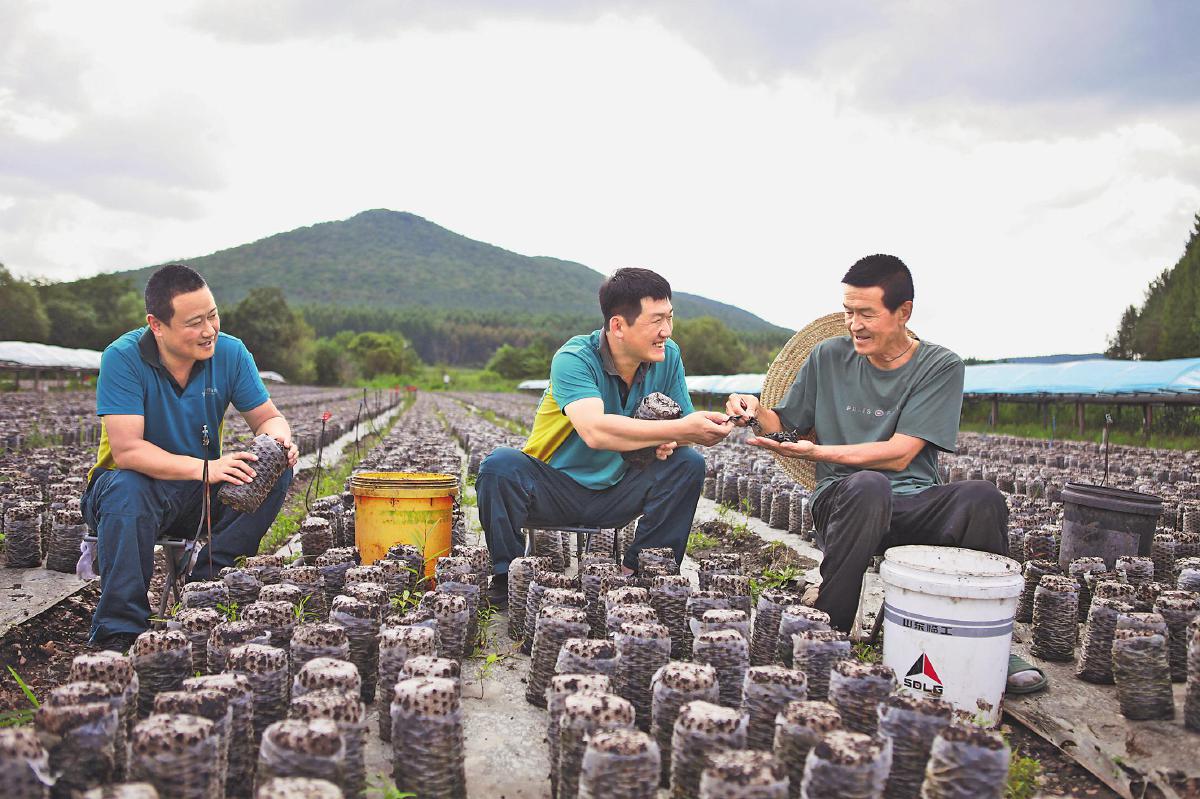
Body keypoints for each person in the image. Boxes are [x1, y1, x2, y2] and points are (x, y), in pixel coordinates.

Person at [726, 254, 1046, 693]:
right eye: (848, 312)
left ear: (903, 312)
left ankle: (991, 640)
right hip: (845, 499)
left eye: (866, 314)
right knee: (868, 486)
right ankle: (826, 636)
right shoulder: (828, 357)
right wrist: (754, 409)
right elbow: (785, 424)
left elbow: (900, 455)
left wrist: (819, 450)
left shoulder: (939, 366)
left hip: (912, 502)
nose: (853, 324)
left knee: (982, 498)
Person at [477, 268, 734, 606]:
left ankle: (642, 572)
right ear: (618, 326)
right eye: (656, 320)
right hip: (555, 489)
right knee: (500, 466)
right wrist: (678, 430)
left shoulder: (668, 357)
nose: (667, 331)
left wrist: (704, 427)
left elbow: (684, 426)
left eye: (670, 318)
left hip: (618, 490)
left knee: (688, 463)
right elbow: (595, 431)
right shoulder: (575, 358)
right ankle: (507, 577)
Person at [83, 264, 298, 651]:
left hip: (197, 494)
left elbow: (268, 417)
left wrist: (278, 441)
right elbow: (127, 451)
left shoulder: (230, 353)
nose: (209, 330)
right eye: (194, 322)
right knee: (128, 488)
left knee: (275, 470)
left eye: (212, 315)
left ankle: (209, 585)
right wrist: (206, 469)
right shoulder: (123, 358)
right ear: (157, 325)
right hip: (131, 491)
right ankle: (120, 627)